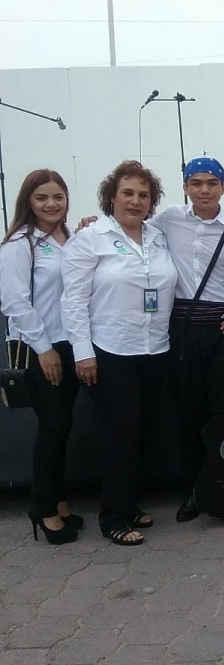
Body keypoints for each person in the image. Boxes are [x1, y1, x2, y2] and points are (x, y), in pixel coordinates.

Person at [61, 161, 178, 546]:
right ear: (112, 197)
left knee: (143, 431)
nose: (136, 201)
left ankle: (129, 504)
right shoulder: (90, 237)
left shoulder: (158, 237)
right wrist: (83, 353)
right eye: (128, 193)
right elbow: (74, 299)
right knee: (120, 433)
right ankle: (113, 516)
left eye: (144, 195)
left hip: (155, 348)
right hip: (110, 351)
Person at [151, 157, 224, 523]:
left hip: (222, 331)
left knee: (223, 414)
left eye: (211, 183)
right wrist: (88, 222)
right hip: (182, 330)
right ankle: (195, 489)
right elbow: (128, 227)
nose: (204, 190)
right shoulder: (168, 219)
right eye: (196, 183)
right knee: (187, 414)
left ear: (223, 187)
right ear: (186, 187)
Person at [0, 170, 82, 545]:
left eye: (58, 197)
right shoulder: (20, 243)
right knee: (52, 428)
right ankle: (42, 508)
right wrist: (44, 348)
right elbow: (15, 302)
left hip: (70, 343)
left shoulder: (67, 238)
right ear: (28, 202)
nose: (51, 204)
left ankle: (59, 500)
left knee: (63, 427)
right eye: (42, 198)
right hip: (40, 347)